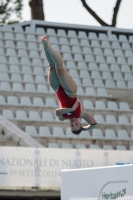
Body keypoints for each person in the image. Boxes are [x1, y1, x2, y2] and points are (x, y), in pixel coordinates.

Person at [41, 35, 97, 134]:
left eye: (72, 126)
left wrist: (71, 109)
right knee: (60, 69)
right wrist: (84, 129)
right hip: (70, 91)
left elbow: (57, 112)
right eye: (77, 124)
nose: (74, 123)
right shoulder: (82, 114)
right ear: (80, 123)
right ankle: (48, 47)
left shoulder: (63, 118)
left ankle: (45, 47)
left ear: (69, 126)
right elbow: (94, 125)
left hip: (58, 90)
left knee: (52, 67)